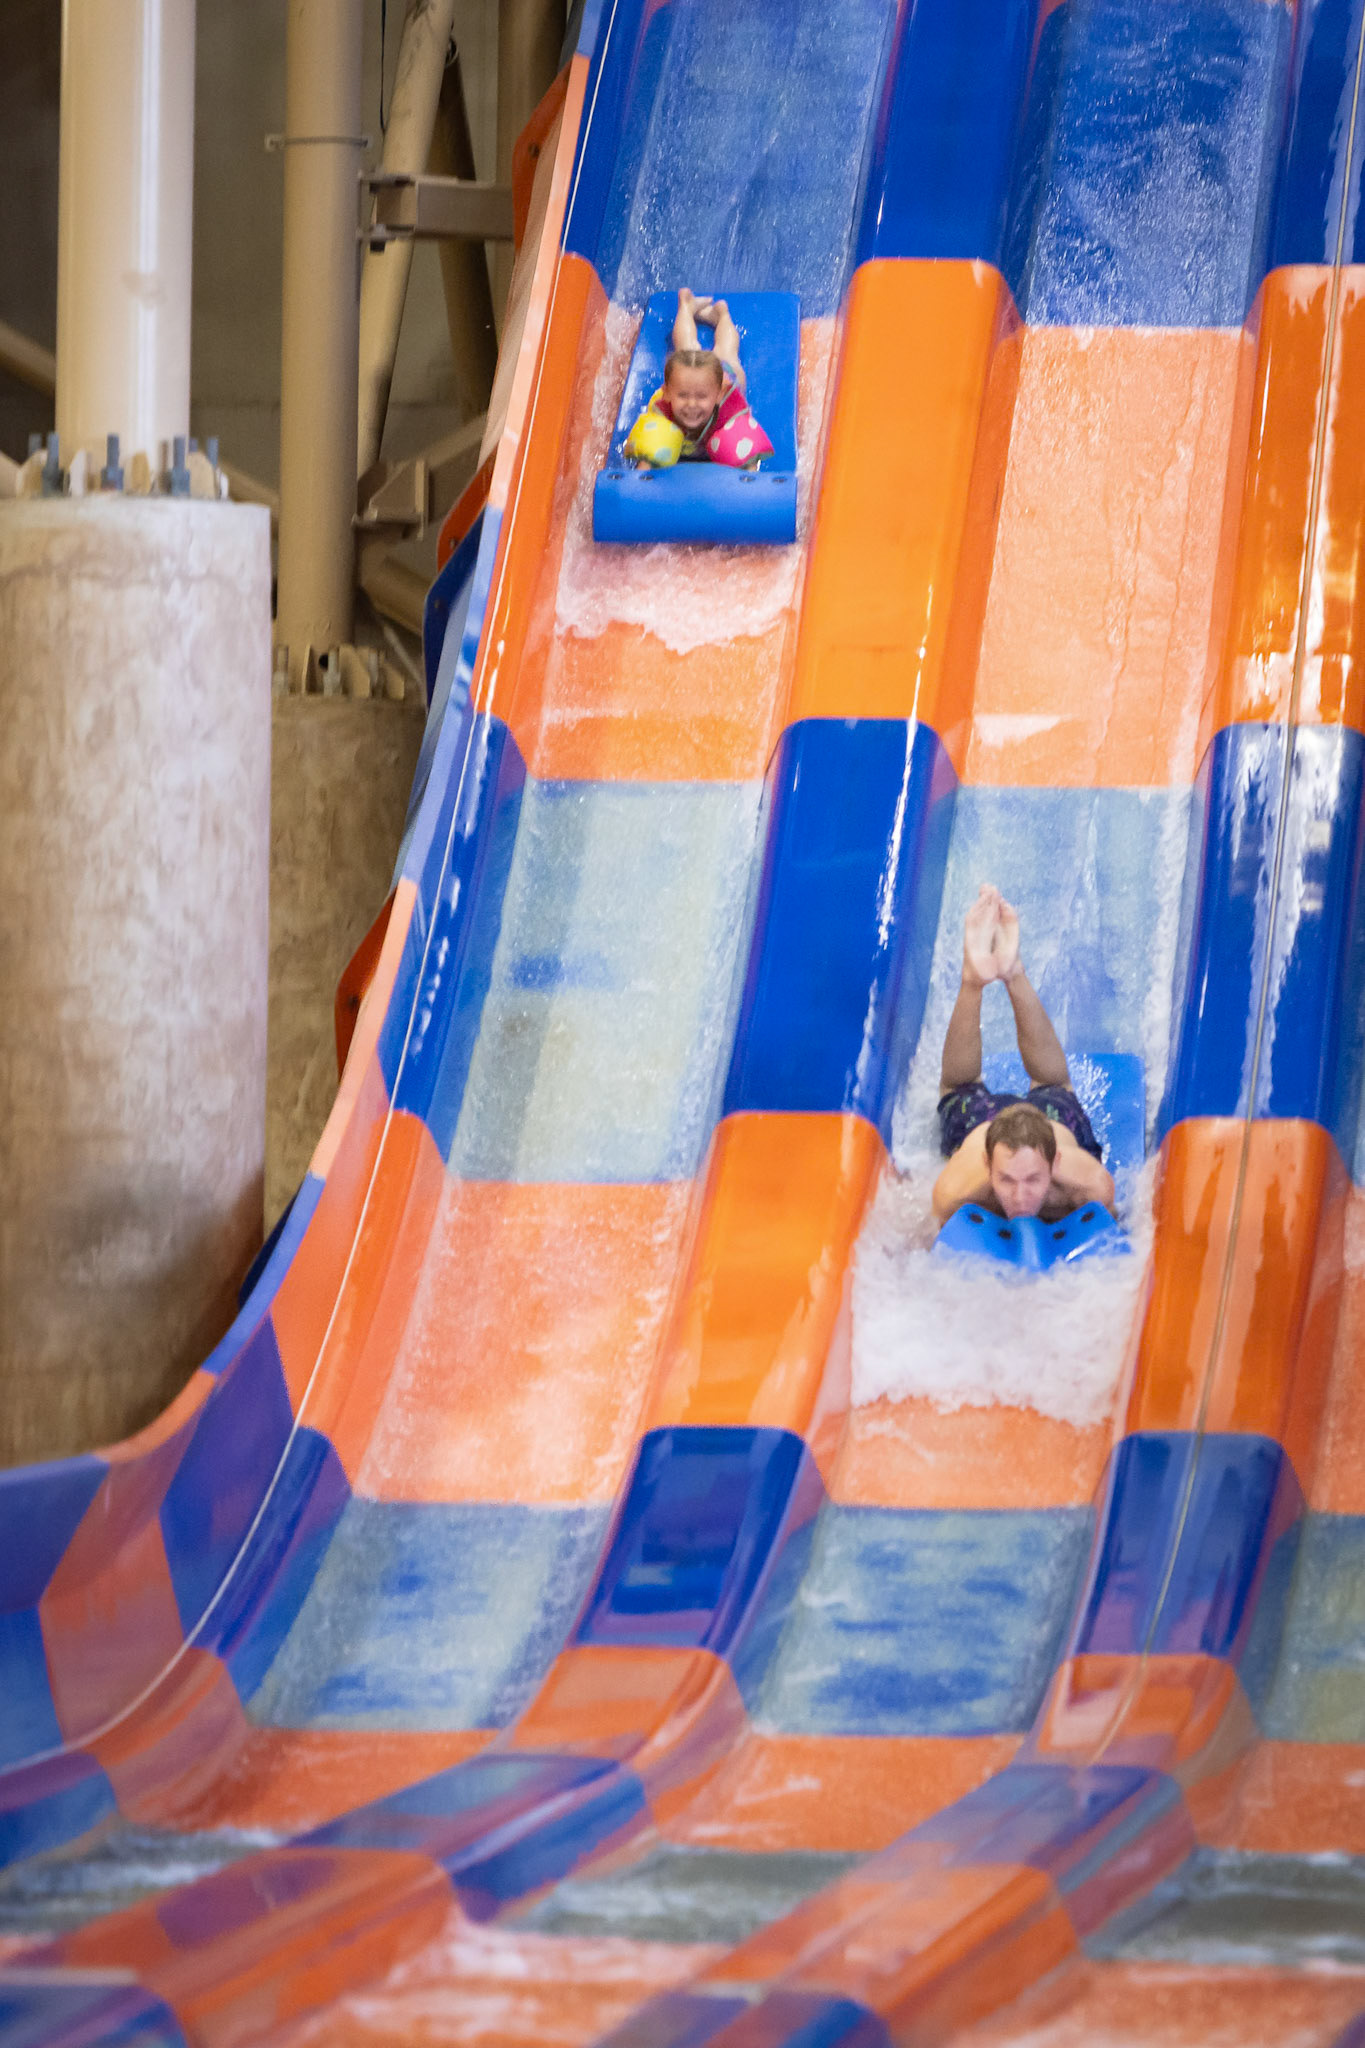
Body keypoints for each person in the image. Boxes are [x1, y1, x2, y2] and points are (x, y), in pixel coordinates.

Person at [932, 885, 1115, 1225]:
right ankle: (973, 980)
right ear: (988, 1167)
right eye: (1006, 1179)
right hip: (982, 1125)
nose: (1020, 1197)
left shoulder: (1090, 1188)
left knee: (1053, 1084)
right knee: (958, 1088)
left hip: (1052, 1121)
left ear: (1055, 1163)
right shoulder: (955, 1193)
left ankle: (1013, 971)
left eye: (1033, 1179)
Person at [625, 288, 774, 471]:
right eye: (682, 396)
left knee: (727, 353)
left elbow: (750, 470)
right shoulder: (663, 414)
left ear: (719, 394)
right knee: (684, 350)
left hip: (723, 374)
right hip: (693, 376)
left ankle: (722, 315)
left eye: (701, 397)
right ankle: (686, 305)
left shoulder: (729, 411)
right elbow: (644, 469)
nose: (692, 404)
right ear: (668, 392)